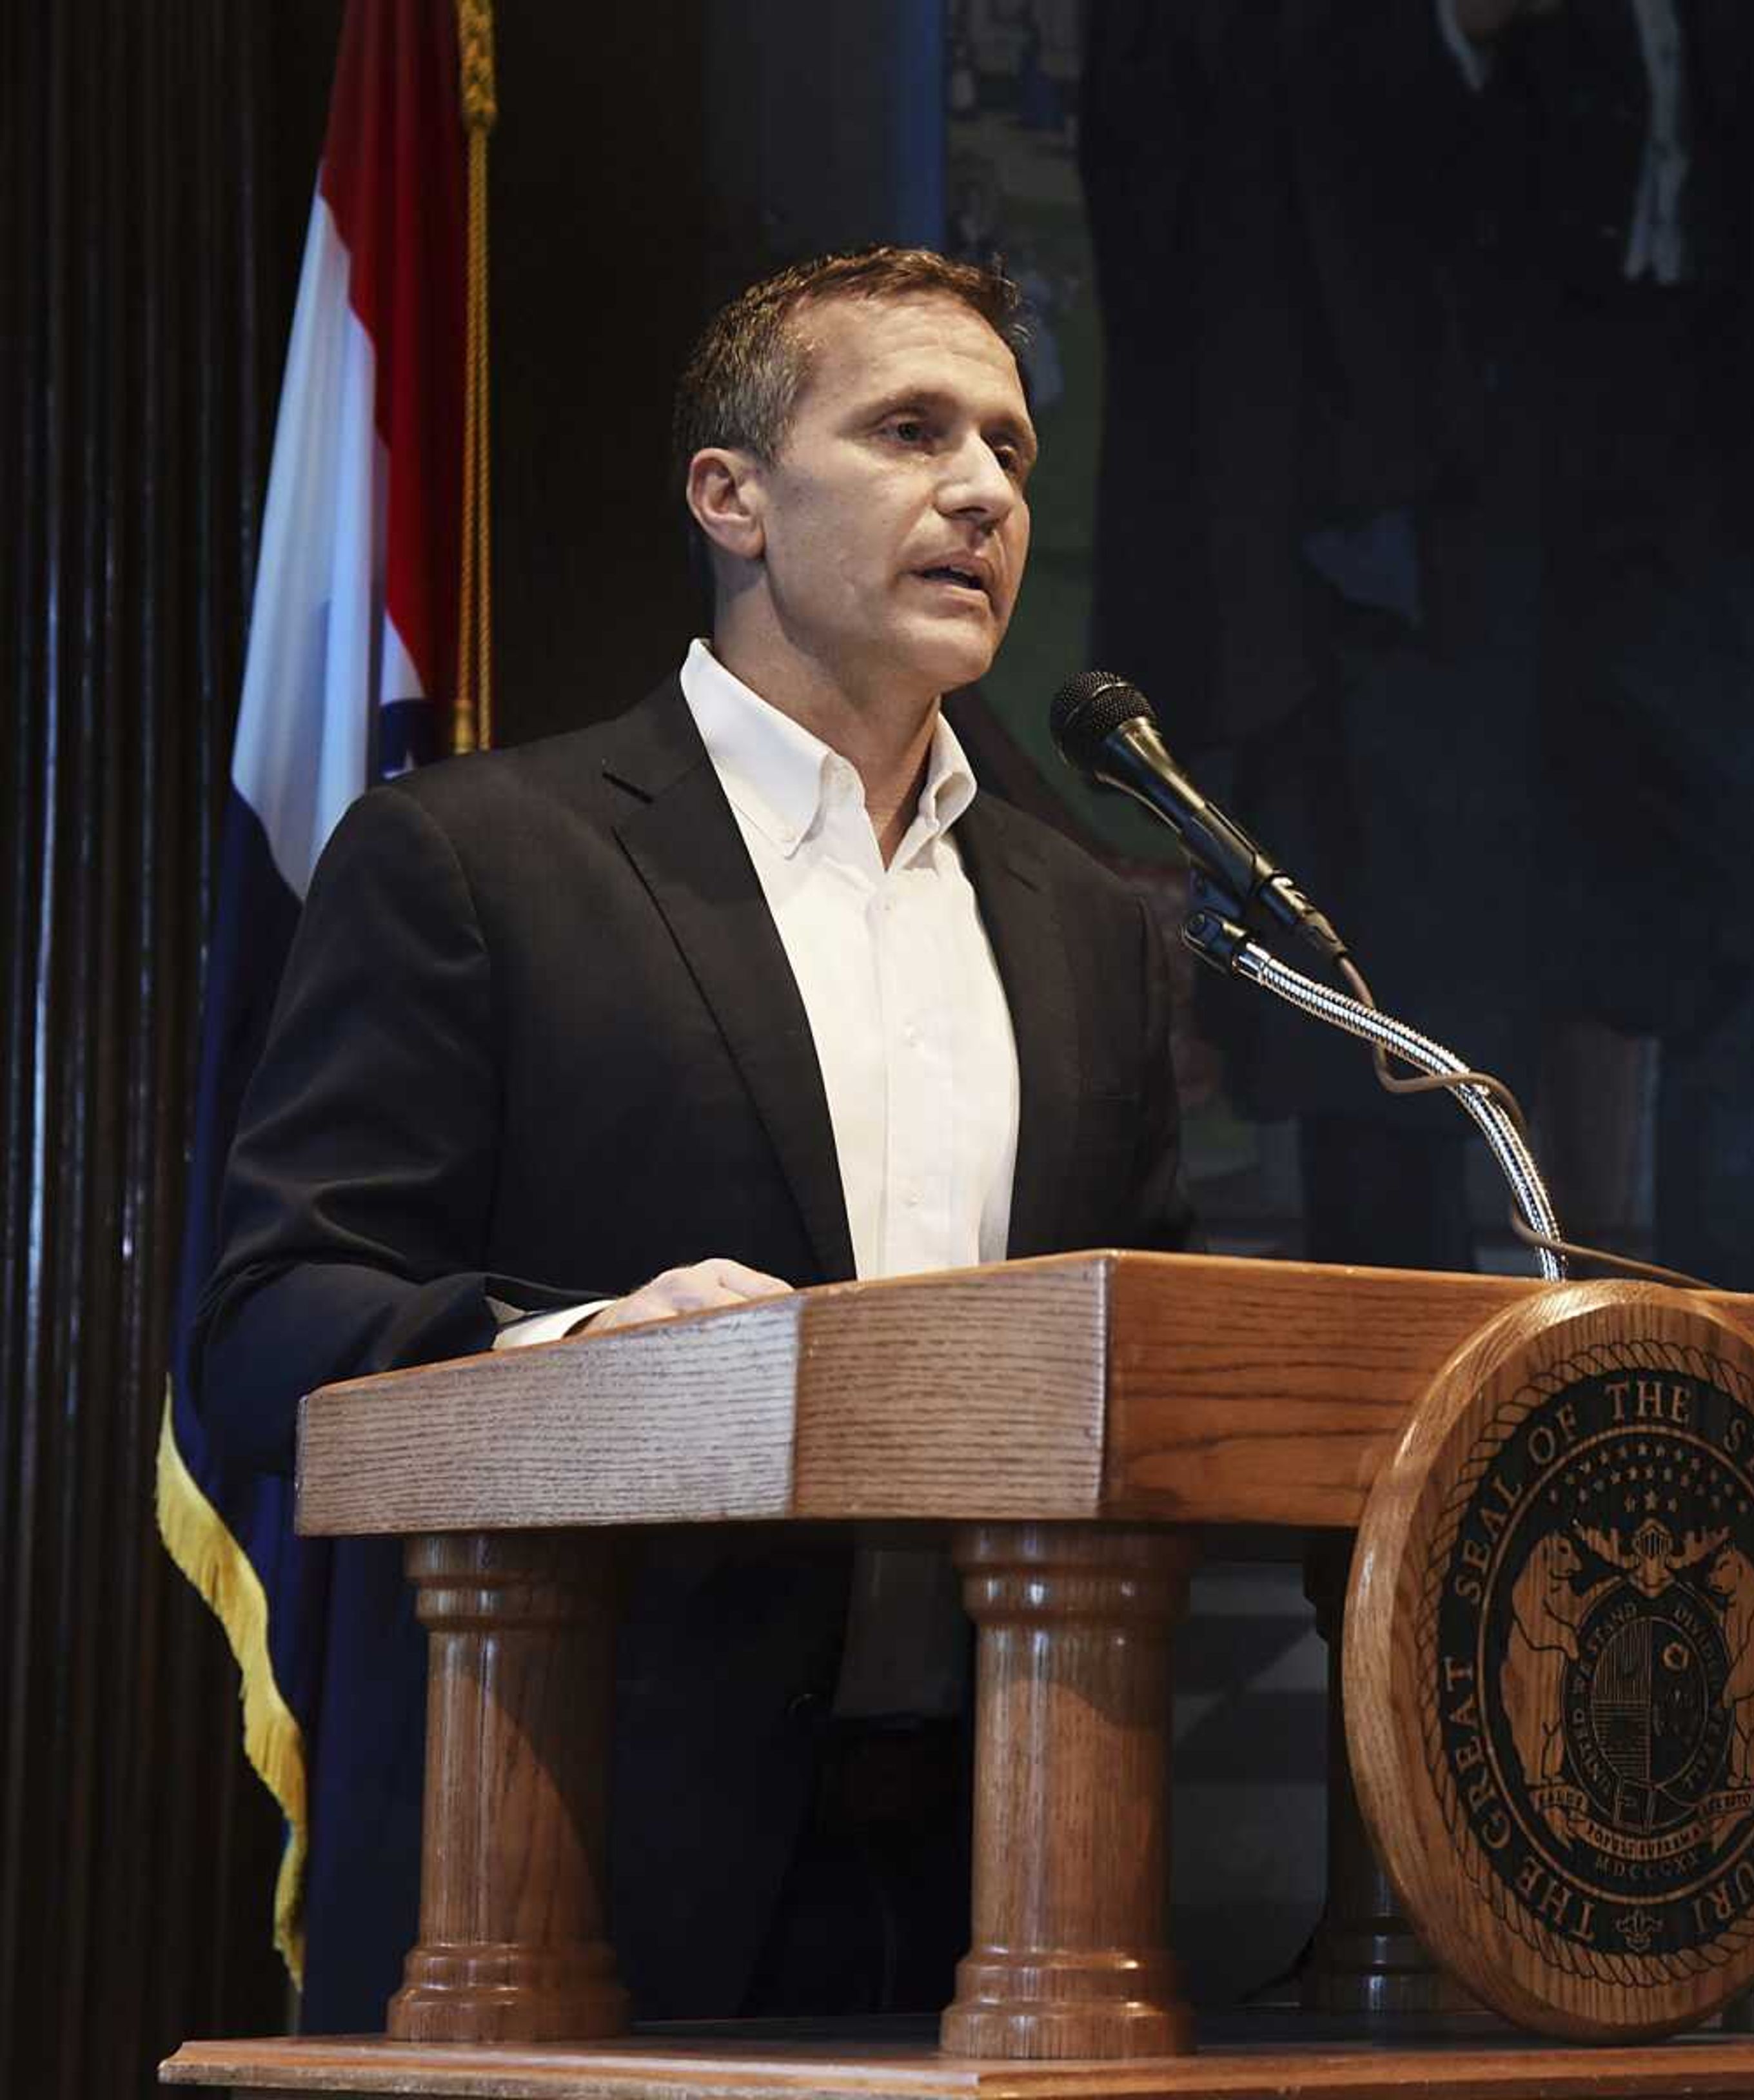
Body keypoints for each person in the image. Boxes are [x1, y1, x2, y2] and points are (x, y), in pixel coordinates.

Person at [193, 248, 1194, 2032]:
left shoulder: (1097, 923)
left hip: (1015, 1895)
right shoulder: (480, 860)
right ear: (729, 497)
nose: (982, 490)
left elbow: (1161, 1366)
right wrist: (584, 1358)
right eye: (910, 430)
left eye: (1013, 453)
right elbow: (266, 1329)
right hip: (573, 1871)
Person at [1079, 0, 1754, 1293]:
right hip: (1408, 513)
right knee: (1399, 989)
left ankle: (1730, 1397)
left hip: (1687, 522)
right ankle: (1403, 1451)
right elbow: (1208, 175)